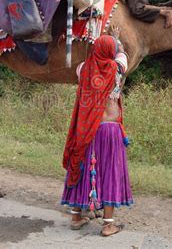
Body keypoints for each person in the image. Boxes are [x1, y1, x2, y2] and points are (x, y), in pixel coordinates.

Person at [61, 27, 133, 236]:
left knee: (83, 167)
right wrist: (117, 40)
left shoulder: (84, 68)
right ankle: (108, 223)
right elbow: (122, 54)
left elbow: (90, 59)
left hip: (87, 129)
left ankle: (76, 216)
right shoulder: (117, 68)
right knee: (109, 171)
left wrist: (97, 40)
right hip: (110, 130)